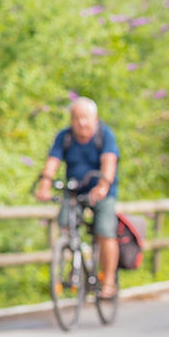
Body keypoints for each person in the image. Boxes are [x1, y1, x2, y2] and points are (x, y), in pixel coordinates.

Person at [34, 96, 121, 299]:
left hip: (102, 191)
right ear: (71, 120)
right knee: (65, 224)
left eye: (85, 118)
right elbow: (53, 161)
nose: (81, 122)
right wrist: (44, 185)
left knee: (105, 231)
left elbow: (109, 161)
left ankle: (108, 282)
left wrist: (102, 185)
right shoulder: (64, 137)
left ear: (95, 118)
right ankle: (72, 263)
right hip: (74, 190)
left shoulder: (105, 135)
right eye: (76, 118)